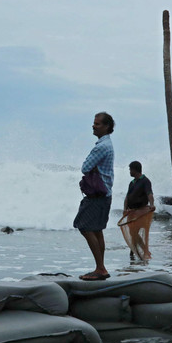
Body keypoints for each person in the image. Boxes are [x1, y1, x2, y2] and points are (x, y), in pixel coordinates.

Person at [74, 112, 115, 280]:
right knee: (97, 230)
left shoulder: (101, 147)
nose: (93, 126)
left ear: (106, 127)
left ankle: (100, 268)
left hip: (97, 194)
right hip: (105, 193)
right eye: (94, 123)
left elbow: (85, 167)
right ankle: (101, 267)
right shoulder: (107, 144)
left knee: (84, 226)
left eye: (97, 124)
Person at [121, 161, 155, 261]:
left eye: (130, 169)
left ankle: (142, 251)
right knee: (133, 233)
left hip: (141, 212)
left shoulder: (145, 181)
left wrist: (152, 205)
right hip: (132, 212)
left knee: (135, 233)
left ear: (134, 170)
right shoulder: (132, 183)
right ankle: (134, 252)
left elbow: (150, 194)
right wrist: (125, 209)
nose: (129, 172)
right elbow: (127, 197)